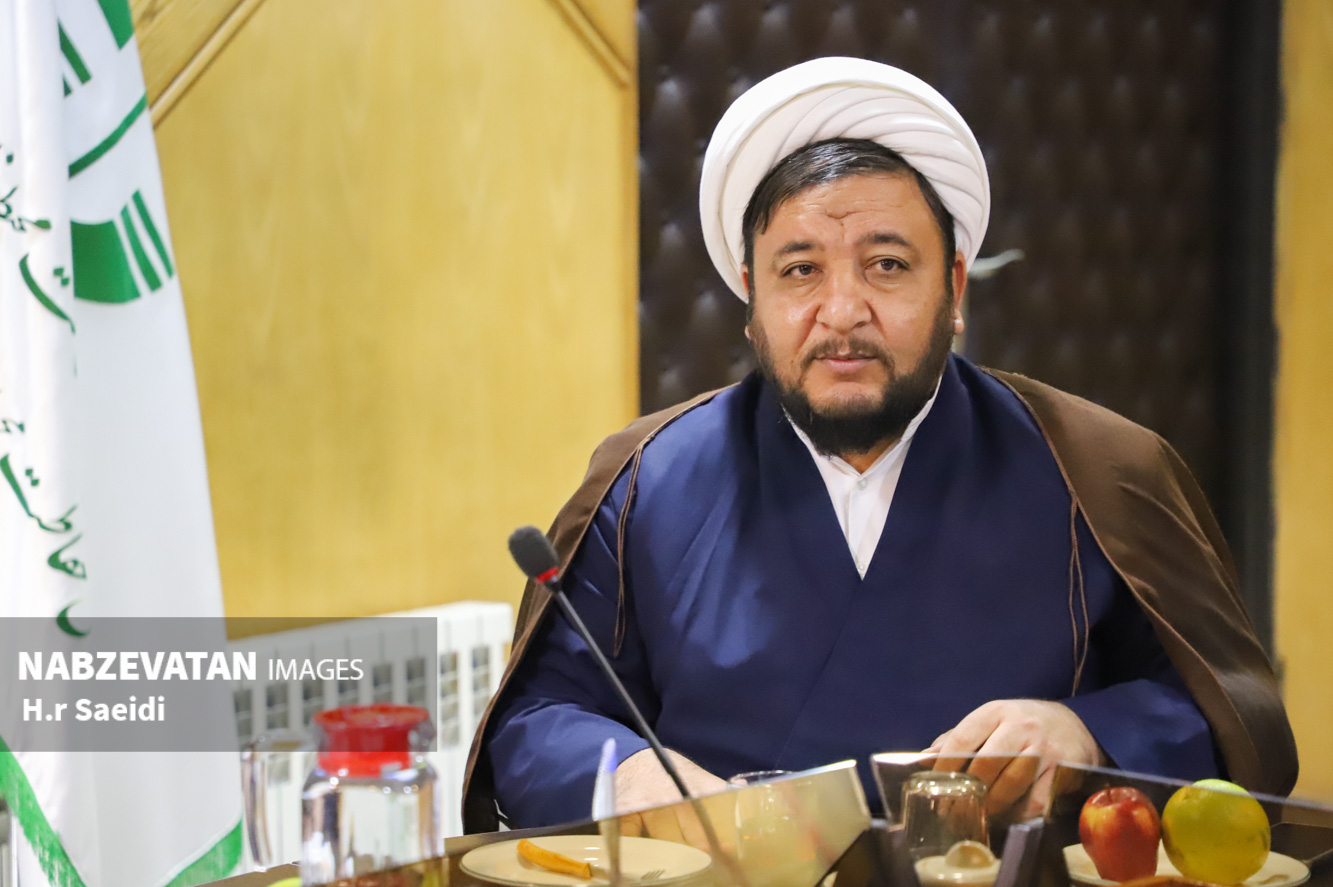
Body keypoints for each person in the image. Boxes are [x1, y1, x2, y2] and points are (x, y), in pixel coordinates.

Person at [461, 58, 1297, 832]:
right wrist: (628, 774)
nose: (842, 311)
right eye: (799, 270)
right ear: (750, 297)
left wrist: (1085, 732)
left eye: (887, 265)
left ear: (954, 287)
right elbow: (537, 718)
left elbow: (1227, 713)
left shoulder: (1099, 468)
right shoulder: (645, 479)